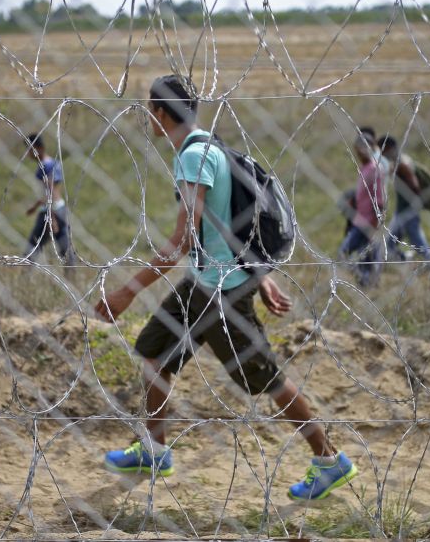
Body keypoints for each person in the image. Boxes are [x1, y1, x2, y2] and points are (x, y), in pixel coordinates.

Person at [94, 75, 357, 502]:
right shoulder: (210, 147)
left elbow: (182, 240)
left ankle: (329, 460)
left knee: (267, 379)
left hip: (219, 292)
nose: (148, 119)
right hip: (203, 282)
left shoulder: (193, 158)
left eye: (149, 111)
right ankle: (154, 450)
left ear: (159, 114)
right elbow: (230, 223)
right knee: (153, 351)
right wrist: (262, 275)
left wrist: (126, 293)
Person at [380, 135, 430, 275]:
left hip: (408, 212)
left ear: (387, 148)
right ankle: (407, 260)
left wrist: (413, 202)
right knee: (390, 244)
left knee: (418, 242)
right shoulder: (399, 161)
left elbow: (414, 185)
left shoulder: (402, 164)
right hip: (402, 212)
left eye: (382, 149)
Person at [338, 132, 385, 288]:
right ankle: (368, 282)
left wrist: (374, 223)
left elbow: (379, 200)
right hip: (359, 219)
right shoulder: (365, 168)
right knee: (364, 253)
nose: (360, 152)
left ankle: (368, 282)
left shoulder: (374, 169)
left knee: (350, 251)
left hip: (368, 222)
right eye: (358, 148)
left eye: (363, 148)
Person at [24, 133, 75, 268]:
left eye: (30, 149)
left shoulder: (44, 167)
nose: (28, 153)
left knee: (33, 246)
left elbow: (51, 191)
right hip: (61, 208)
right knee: (65, 246)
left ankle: (24, 275)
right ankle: (72, 276)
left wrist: (51, 216)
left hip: (50, 211)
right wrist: (35, 207)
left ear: (39, 148)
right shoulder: (53, 163)